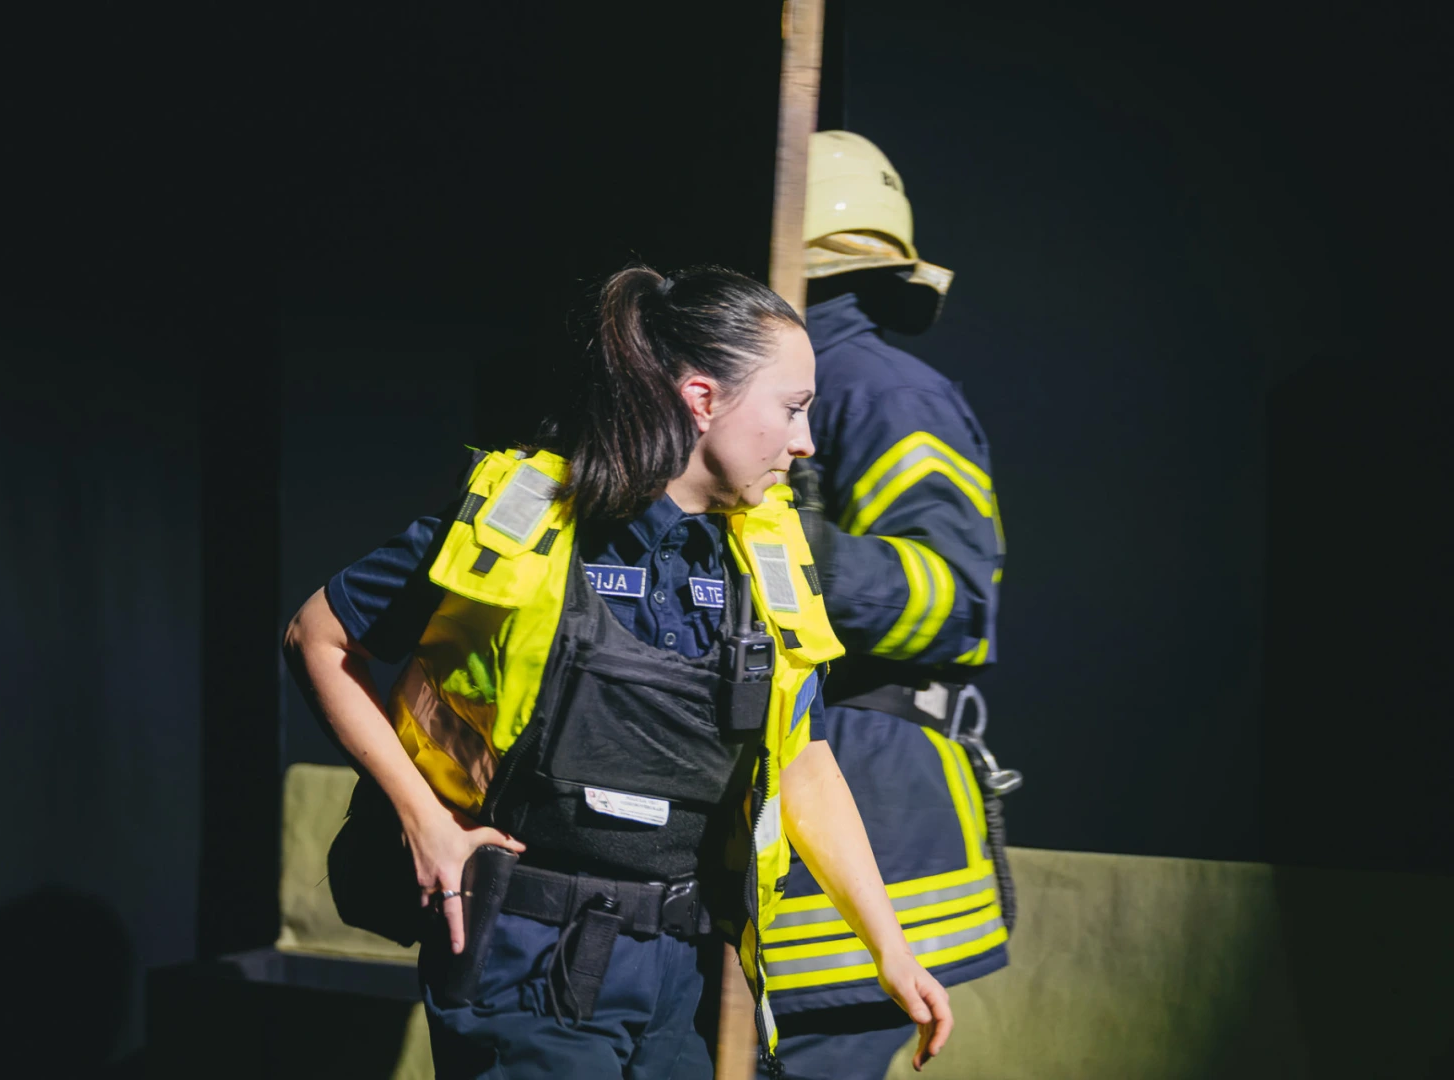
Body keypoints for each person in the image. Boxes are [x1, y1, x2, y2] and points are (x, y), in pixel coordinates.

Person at [283, 265, 954, 1080]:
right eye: (792, 408)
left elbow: (803, 761)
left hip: (684, 971)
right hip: (523, 954)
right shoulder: (522, 524)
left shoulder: (765, 561)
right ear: (703, 399)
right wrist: (426, 822)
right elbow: (317, 637)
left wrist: (889, 949)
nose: (805, 440)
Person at [762, 132, 1016, 1079]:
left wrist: (789, 550)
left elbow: (956, 603)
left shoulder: (882, 390)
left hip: (870, 797)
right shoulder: (791, 382)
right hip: (812, 796)